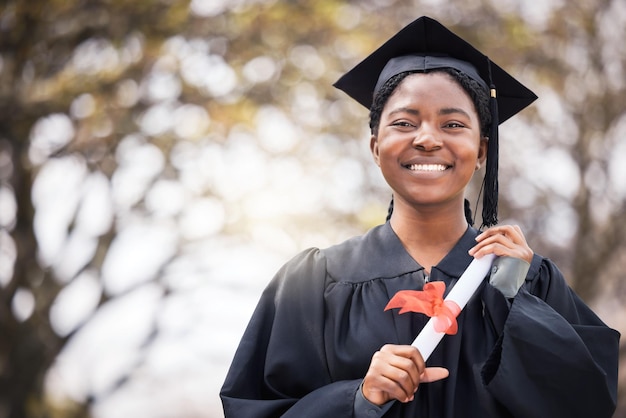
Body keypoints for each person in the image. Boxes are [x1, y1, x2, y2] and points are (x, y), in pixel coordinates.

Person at [220, 16, 620, 418]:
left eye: (452, 124)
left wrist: (518, 303)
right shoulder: (312, 284)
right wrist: (359, 399)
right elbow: (253, 409)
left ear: (482, 151)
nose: (427, 139)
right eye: (404, 123)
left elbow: (586, 404)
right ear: (376, 147)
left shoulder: (528, 279)